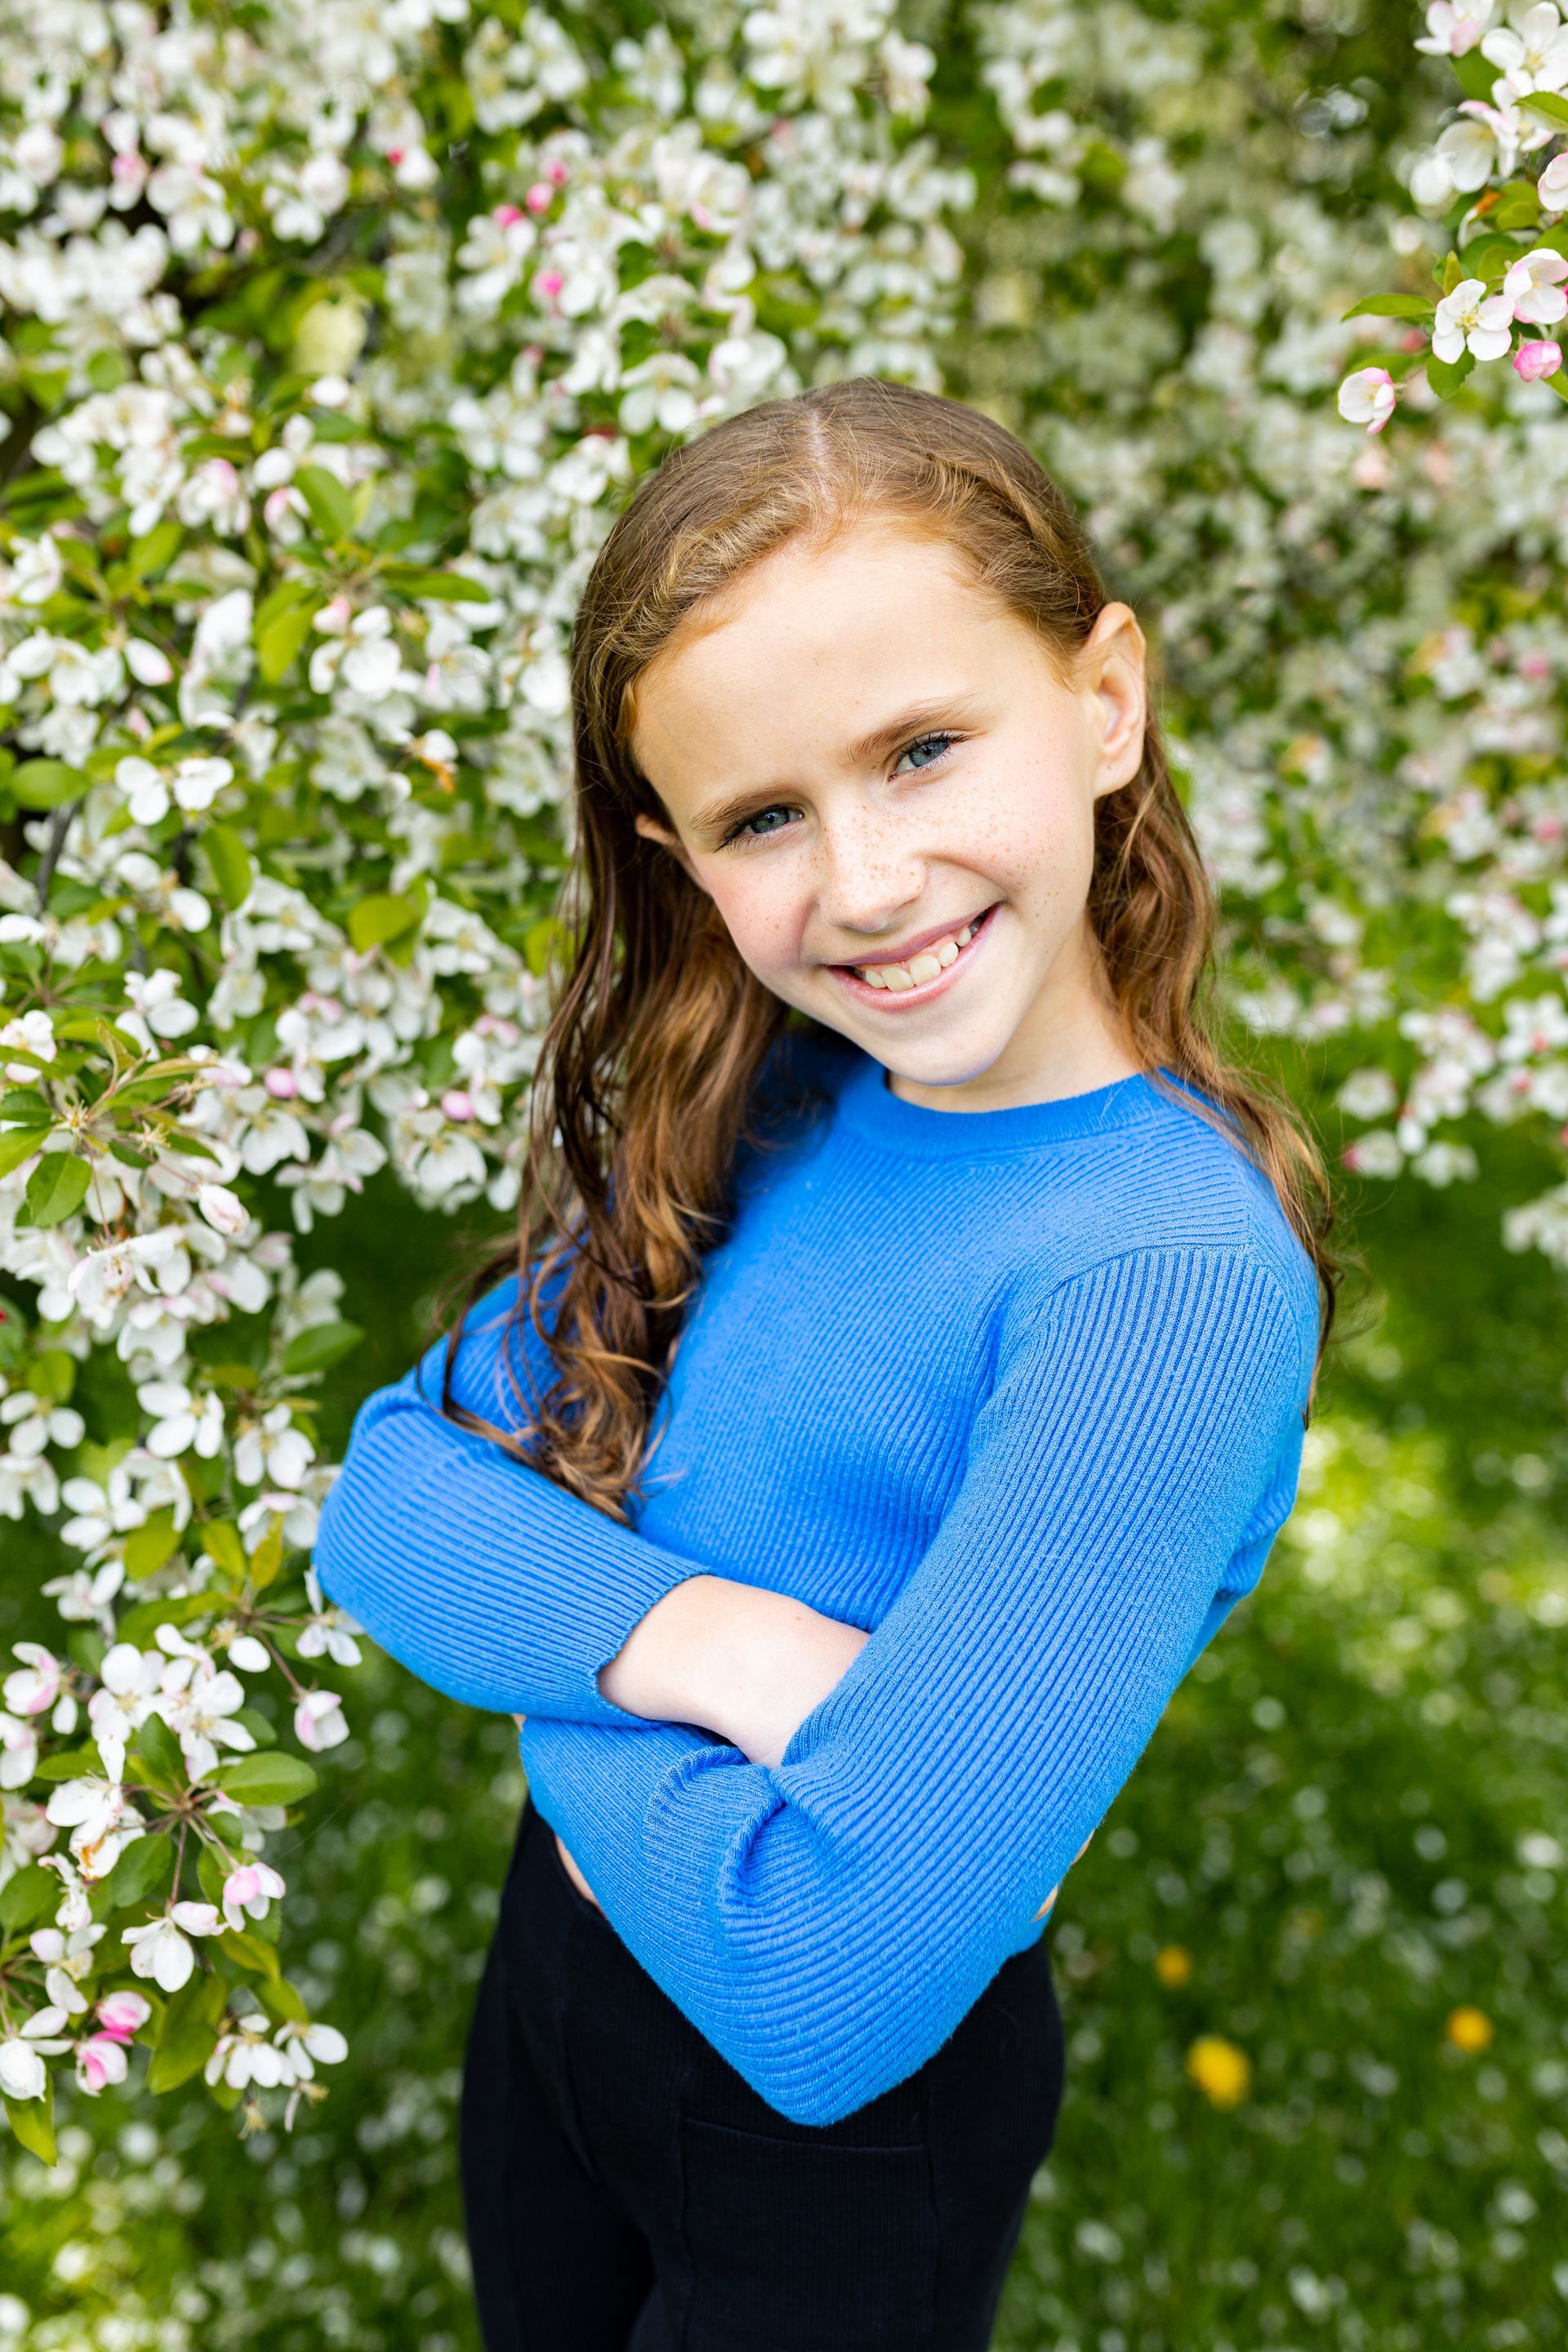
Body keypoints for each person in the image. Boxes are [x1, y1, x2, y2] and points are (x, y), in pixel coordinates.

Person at [311, 376, 1337, 2352]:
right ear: (675, 851)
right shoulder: (773, 1094)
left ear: (1105, 700)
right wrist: (733, 1656)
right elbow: (382, 1499)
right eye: (764, 816)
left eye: (924, 751)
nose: (863, 885)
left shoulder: (1161, 1281)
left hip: (834, 2152)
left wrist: (551, 1666)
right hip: (558, 2002)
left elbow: (820, 1974)